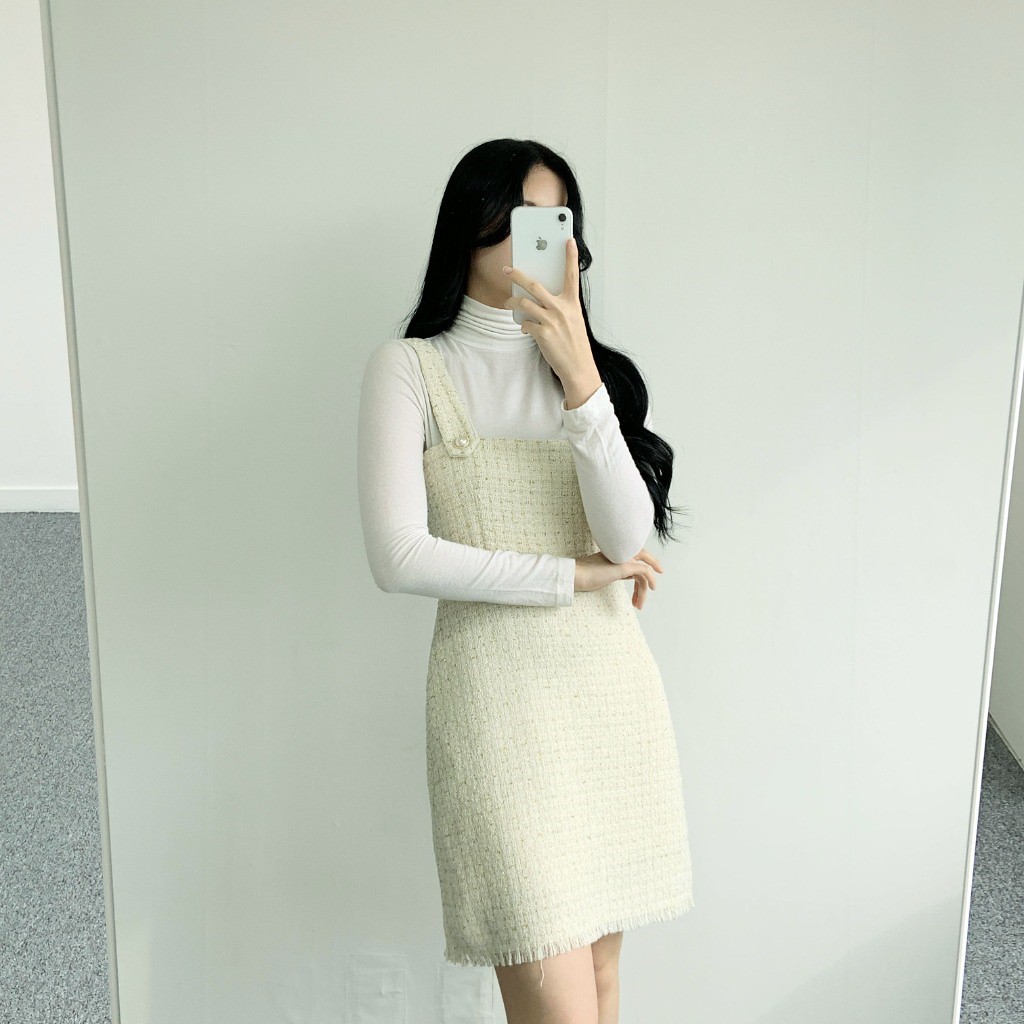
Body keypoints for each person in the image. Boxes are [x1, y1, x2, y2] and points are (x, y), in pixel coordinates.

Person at [357, 138, 693, 1024]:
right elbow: (398, 556)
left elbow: (627, 535)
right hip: (496, 709)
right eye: (513, 219)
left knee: (605, 984)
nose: (536, 241)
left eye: (553, 222)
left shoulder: (590, 375)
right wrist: (569, 576)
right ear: (466, 229)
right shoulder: (410, 369)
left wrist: (579, 371)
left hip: (608, 695)